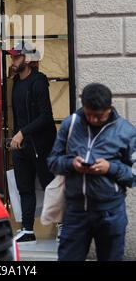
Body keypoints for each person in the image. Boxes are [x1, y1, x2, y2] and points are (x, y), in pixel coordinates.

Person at [48, 83, 136, 261]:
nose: (93, 120)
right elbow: (52, 163)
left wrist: (109, 168)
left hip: (111, 213)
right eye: (89, 115)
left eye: (99, 116)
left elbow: (133, 175)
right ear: (83, 105)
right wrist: (72, 164)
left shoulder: (126, 131)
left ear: (110, 109)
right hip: (75, 212)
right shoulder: (70, 124)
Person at [7, 42, 56, 245]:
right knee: (24, 188)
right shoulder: (16, 82)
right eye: (12, 57)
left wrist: (22, 133)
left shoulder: (38, 82)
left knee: (50, 186)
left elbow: (46, 117)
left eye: (17, 57)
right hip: (22, 146)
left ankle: (63, 225)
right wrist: (15, 137)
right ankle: (27, 229)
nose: (13, 60)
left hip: (40, 145)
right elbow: (18, 116)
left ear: (27, 59)